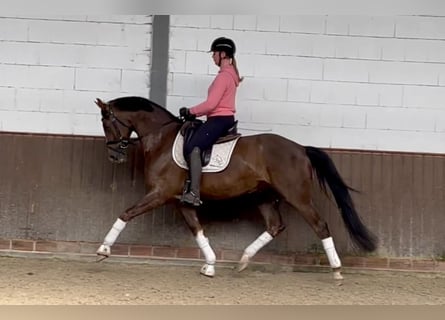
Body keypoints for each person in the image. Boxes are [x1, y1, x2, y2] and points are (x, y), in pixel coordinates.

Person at [179, 36, 243, 206]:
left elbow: (211, 104)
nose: (212, 56)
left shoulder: (224, 77)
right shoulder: (229, 75)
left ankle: (194, 193)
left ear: (222, 54)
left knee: (194, 146)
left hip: (219, 120)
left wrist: (190, 112)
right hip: (221, 118)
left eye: (214, 53)